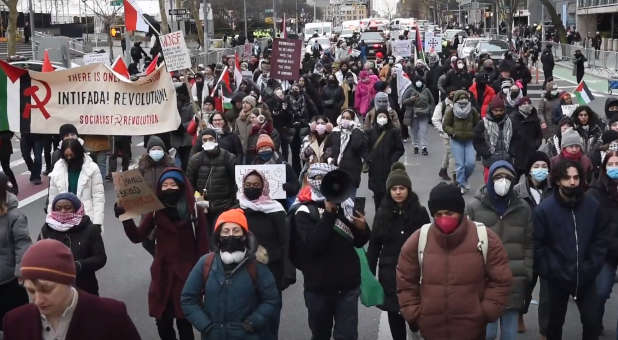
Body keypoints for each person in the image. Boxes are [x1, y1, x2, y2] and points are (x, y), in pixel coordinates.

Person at [396, 182, 512, 339]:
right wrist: (415, 315)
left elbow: (501, 281)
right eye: (438, 214)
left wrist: (485, 313)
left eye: (449, 213)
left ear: (460, 211)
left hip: (471, 332)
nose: (444, 219)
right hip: (431, 332)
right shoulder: (419, 240)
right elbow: (405, 281)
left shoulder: (485, 238)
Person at [116, 168, 210, 340]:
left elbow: (203, 246)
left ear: (181, 186)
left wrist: (204, 278)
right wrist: (126, 217)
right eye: (165, 185)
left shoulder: (194, 211)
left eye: (173, 184)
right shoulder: (155, 211)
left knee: (184, 321)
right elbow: (138, 236)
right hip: (162, 274)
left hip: (186, 275)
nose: (168, 188)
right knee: (162, 321)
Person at [290, 163, 371, 340]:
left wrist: (363, 228)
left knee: (347, 335)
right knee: (320, 334)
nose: (321, 183)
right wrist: (328, 215)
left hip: (347, 287)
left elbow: (359, 242)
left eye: (325, 179)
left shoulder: (346, 205)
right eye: (317, 178)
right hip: (318, 289)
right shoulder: (303, 211)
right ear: (309, 181)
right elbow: (312, 246)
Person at [2, 239, 142, 339]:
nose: (37, 300)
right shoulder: (14, 322)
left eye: (46, 289)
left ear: (68, 281)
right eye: (31, 291)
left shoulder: (111, 315)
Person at [534, 159, 608, 339]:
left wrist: (591, 267)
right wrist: (551, 269)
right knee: (553, 324)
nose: (572, 182)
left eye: (576, 177)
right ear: (558, 180)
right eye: (567, 178)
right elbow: (538, 245)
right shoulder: (545, 209)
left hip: (587, 276)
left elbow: (600, 240)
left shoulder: (592, 206)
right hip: (556, 277)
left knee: (592, 322)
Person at [181, 208, 281, 340]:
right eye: (226, 231)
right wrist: (205, 325)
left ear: (244, 235)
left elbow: (272, 300)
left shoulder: (257, 265)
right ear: (218, 236)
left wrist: (253, 322)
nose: (231, 235)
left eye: (236, 230)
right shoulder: (206, 263)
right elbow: (188, 299)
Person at [466, 160, 533, 340]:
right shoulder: (474, 207)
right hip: (485, 281)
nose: (503, 181)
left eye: (507, 178)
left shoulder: (523, 209)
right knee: (488, 333)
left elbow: (529, 243)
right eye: (498, 177)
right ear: (490, 179)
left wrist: (526, 270)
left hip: (514, 279)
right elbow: (466, 243)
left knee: (510, 334)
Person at [367, 163, 430, 340]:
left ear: (408, 189)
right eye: (394, 188)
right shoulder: (382, 213)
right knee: (394, 312)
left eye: (401, 188)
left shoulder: (419, 212)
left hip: (415, 271)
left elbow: (428, 239)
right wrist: (370, 272)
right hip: (390, 271)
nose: (398, 192)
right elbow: (374, 244)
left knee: (413, 313)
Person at [39, 192, 106, 296]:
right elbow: (39, 255)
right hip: (56, 289)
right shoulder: (47, 228)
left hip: (84, 288)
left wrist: (79, 265)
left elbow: (100, 258)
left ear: (76, 208)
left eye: (67, 208)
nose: (63, 211)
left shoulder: (90, 229)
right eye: (58, 208)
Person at [588, 150, 618, 333]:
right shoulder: (595, 192)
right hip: (606, 252)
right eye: (611, 164)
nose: (615, 168)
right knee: (600, 292)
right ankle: (595, 324)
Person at [47, 139, 105, 230]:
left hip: (86, 219)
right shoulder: (58, 168)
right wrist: (49, 219)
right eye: (66, 156)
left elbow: (98, 197)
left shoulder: (92, 168)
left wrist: (97, 222)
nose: (69, 158)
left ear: (78, 153)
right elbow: (52, 198)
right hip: (63, 220)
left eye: (71, 155)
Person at [186, 129, 238, 230]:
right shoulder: (195, 160)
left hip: (224, 206)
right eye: (205, 140)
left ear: (216, 140)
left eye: (211, 139)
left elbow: (236, 182)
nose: (208, 142)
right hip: (203, 207)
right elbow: (189, 184)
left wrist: (233, 204)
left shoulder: (229, 158)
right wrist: (197, 198)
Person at [0, 172, 31, 331]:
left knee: (15, 324)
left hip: (9, 281)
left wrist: (21, 272)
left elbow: (23, 244)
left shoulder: (14, 215)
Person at [366, 111, 405, 211]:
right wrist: (369, 158)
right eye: (380, 116)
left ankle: (390, 218)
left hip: (389, 169)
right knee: (377, 197)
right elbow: (365, 148)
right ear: (376, 118)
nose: (382, 118)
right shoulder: (370, 132)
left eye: (384, 116)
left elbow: (400, 149)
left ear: (388, 118)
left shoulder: (394, 132)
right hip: (375, 170)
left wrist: (392, 160)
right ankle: (378, 218)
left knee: (389, 195)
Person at [443, 90, 480, 193]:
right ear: (456, 100)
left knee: (470, 163)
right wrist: (453, 132)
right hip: (456, 141)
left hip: (469, 141)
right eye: (460, 98)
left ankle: (464, 179)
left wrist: (474, 133)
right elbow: (445, 125)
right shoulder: (451, 111)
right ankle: (460, 184)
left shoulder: (472, 111)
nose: (463, 100)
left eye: (465, 98)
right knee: (460, 164)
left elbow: (478, 124)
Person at [324, 109, 368, 195]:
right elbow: (327, 147)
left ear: (353, 120)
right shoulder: (335, 132)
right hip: (335, 172)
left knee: (349, 203)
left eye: (348, 118)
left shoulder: (359, 133)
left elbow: (356, 146)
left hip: (351, 173)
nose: (345, 120)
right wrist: (329, 157)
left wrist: (355, 129)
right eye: (343, 117)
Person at [474, 95, 514, 182]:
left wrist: (512, 152)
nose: (498, 113)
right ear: (491, 110)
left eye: (501, 110)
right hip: (490, 161)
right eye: (496, 111)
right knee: (489, 183)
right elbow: (477, 140)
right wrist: (486, 153)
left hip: (507, 159)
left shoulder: (510, 122)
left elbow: (516, 138)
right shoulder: (483, 123)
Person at [510, 96, 543, 176]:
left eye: (528, 103)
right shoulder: (512, 118)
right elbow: (509, 136)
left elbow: (539, 135)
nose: (527, 105)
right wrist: (512, 151)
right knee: (514, 180)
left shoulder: (535, 119)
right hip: (517, 156)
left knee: (531, 180)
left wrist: (535, 145)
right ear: (519, 106)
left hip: (530, 154)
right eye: (524, 103)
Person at [403, 77, 435, 156]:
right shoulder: (410, 90)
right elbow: (404, 101)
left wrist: (430, 111)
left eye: (420, 81)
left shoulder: (427, 90)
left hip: (424, 114)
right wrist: (411, 99)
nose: (418, 82)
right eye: (417, 81)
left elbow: (432, 101)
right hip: (413, 114)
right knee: (414, 131)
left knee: (423, 131)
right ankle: (415, 145)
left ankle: (424, 147)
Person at [432, 87, 457, 181]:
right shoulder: (441, 105)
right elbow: (435, 119)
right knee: (452, 154)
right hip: (446, 135)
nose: (453, 95)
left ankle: (443, 170)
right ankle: (455, 176)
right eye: (451, 93)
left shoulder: (458, 104)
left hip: (456, 134)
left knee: (448, 152)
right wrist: (443, 130)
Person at [172, 83, 195, 170]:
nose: (179, 95)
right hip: (176, 139)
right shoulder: (173, 105)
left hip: (187, 139)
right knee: (177, 162)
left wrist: (182, 126)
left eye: (180, 94)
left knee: (186, 162)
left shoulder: (191, 106)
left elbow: (193, 120)